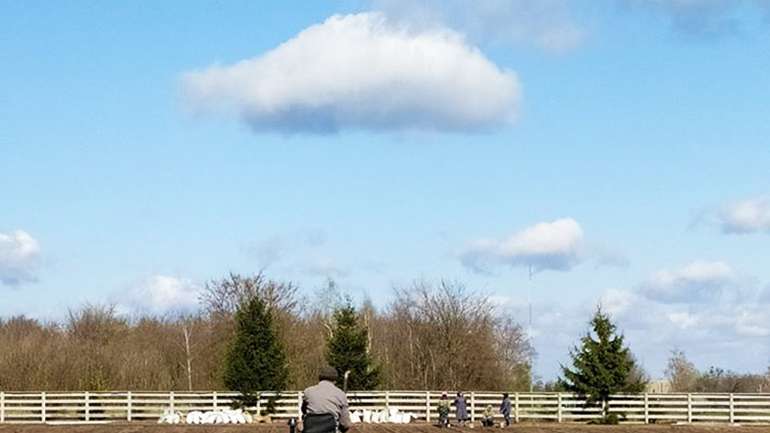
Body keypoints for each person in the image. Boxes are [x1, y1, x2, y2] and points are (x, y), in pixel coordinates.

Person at [301, 366, 351, 433]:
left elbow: (303, 410)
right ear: (335, 380)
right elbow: (346, 424)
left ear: (319, 378)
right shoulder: (340, 394)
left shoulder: (308, 391)